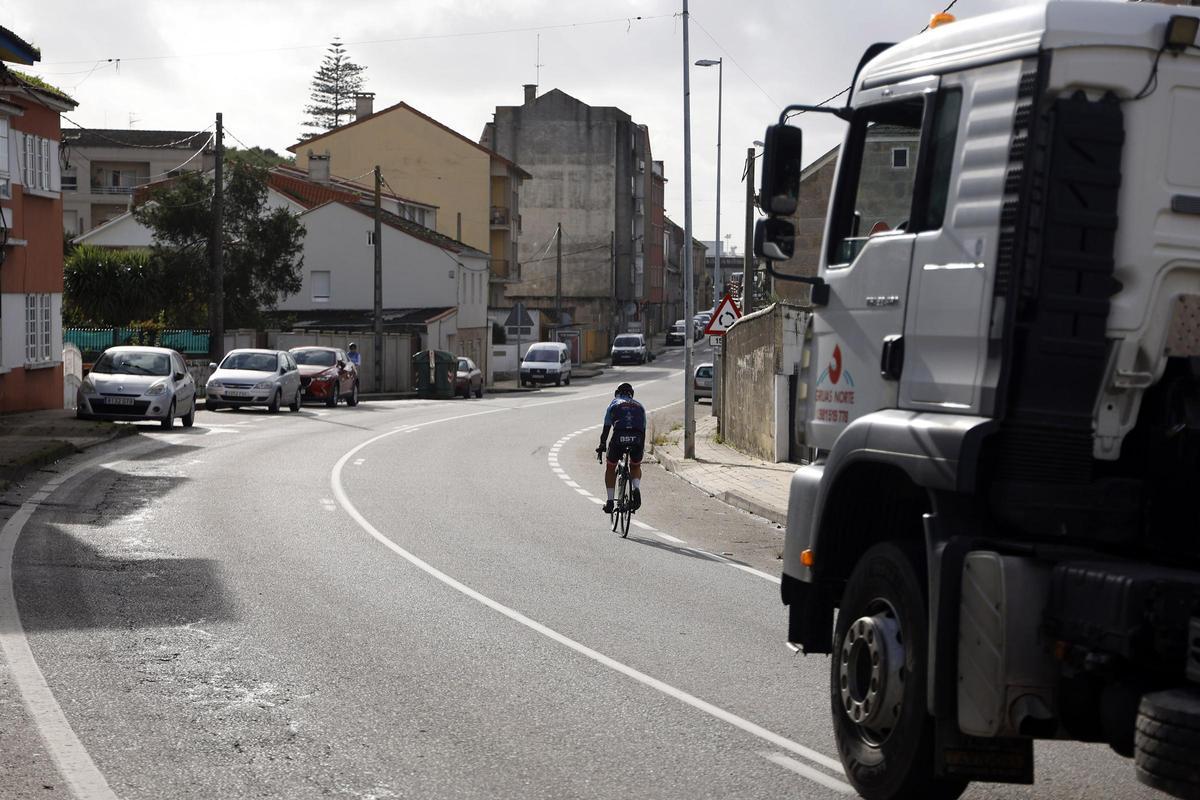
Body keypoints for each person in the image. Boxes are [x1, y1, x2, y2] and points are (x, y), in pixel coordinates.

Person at [596, 382, 646, 514]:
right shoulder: (640, 406)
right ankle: (635, 488)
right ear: (632, 394)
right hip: (637, 439)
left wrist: (602, 445)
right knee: (635, 466)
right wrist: (640, 448)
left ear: (617, 393)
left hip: (619, 437)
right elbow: (643, 429)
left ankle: (610, 501)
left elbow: (606, 428)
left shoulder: (613, 404)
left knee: (611, 466)